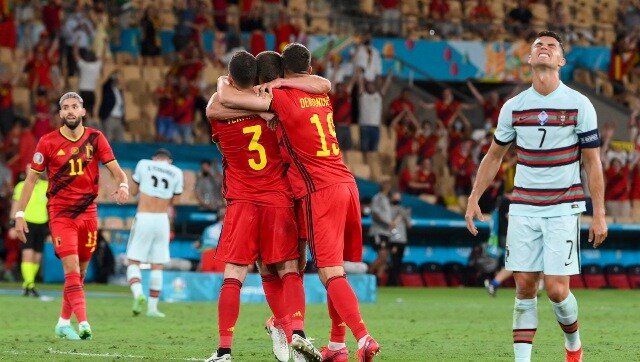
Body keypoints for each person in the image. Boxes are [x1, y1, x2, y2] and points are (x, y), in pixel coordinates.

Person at [216, 43, 381, 362]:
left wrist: (243, 86)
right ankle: (335, 345)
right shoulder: (319, 94)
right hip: (344, 183)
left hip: (314, 191)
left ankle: (361, 338)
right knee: (329, 270)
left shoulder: (277, 98)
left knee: (322, 271)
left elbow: (224, 101)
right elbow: (324, 83)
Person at [465, 31, 607, 362]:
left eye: (551, 46)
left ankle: (573, 344)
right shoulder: (513, 107)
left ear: (561, 61)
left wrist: (598, 212)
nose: (544, 49)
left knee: (557, 291)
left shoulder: (578, 104)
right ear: (529, 59)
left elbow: (592, 162)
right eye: (538, 46)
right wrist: (475, 197)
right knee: (524, 287)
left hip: (563, 207)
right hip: (524, 207)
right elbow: (494, 156)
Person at [204, 50, 324, 362]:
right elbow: (321, 86)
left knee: (234, 275)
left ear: (231, 79)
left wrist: (223, 83)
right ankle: (296, 331)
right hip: (280, 199)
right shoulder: (276, 105)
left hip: (242, 201)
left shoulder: (217, 109)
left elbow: (218, 102)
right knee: (288, 270)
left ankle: (224, 351)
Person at [13, 92, 129, 340]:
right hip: (60, 213)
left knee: (81, 274)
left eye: (74, 107)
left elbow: (119, 173)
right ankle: (84, 322)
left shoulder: (96, 138)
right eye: (65, 107)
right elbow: (31, 179)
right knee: (71, 269)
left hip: (88, 214)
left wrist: (123, 186)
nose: (70, 111)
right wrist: (20, 213)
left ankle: (63, 322)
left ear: (83, 111)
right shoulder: (47, 142)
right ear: (60, 113)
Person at [126, 148, 184, 318]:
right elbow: (176, 201)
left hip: (144, 216)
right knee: (157, 264)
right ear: (169, 160)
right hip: (162, 220)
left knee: (133, 261)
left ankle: (138, 294)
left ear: (154, 158)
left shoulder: (144, 164)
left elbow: (134, 191)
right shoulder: (176, 172)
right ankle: (153, 309)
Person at [9, 164, 49, 297]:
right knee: (27, 254)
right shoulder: (21, 186)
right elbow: (15, 205)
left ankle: (27, 285)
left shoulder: (46, 186)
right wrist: (12, 224)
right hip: (27, 223)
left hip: (42, 224)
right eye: (28, 169)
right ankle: (30, 285)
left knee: (37, 257)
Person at [367, 181, 393, 281]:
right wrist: (387, 223)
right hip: (378, 231)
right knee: (382, 257)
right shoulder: (378, 197)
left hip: (386, 232)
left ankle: (378, 281)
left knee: (385, 258)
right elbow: (375, 214)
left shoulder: (387, 199)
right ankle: (366, 276)